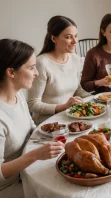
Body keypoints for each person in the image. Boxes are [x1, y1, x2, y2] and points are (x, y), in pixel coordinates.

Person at [0, 39, 64, 198]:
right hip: (10, 186)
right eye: (31, 68)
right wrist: (35, 155)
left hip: (28, 170)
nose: (36, 73)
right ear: (11, 72)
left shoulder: (18, 95)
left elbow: (31, 128)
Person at [27, 15, 90, 125]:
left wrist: (97, 98)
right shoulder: (41, 63)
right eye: (68, 37)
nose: (75, 41)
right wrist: (63, 107)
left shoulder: (75, 58)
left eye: (76, 36)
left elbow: (77, 89)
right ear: (53, 38)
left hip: (71, 118)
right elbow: (32, 104)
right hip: (47, 124)